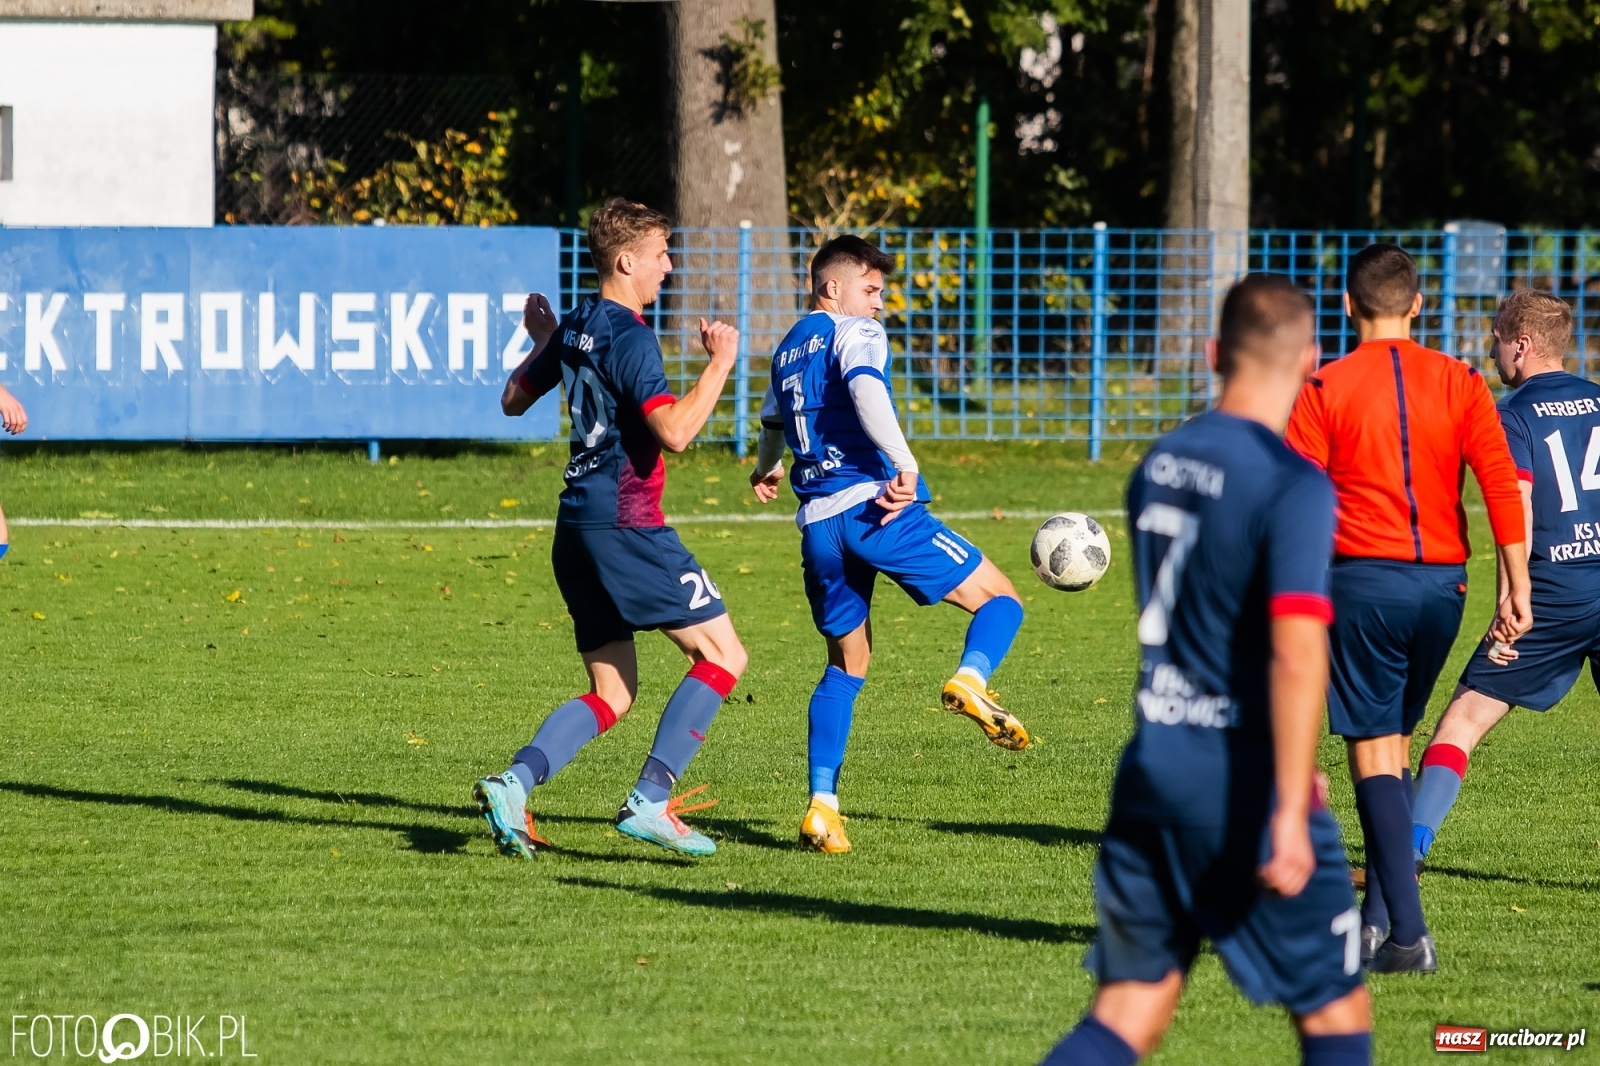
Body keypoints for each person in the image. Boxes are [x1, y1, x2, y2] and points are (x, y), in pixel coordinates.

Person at [1041, 274, 1370, 1066]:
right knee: (1335, 1014)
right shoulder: (1291, 483)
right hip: (1240, 784)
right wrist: (1289, 804)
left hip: (1153, 769)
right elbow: (1294, 649)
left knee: (1131, 1010)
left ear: (1213, 351)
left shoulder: (1160, 462)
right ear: (1311, 361)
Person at [471, 197, 748, 858]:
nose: (668, 267)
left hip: (576, 527)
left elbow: (512, 400)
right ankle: (650, 800)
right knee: (723, 654)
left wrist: (547, 343)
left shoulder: (575, 325)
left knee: (614, 691)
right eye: (660, 255)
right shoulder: (631, 335)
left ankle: (513, 784)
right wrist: (720, 364)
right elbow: (674, 432)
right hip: (627, 522)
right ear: (626, 262)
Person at [1285, 243, 1531, 972]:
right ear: (1418, 305)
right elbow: (1498, 482)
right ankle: (1374, 926)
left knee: (1372, 754)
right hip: (1444, 590)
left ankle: (1408, 938)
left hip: (1363, 584)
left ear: (1347, 306)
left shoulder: (1323, 387)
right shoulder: (1461, 380)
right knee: (1390, 747)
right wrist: (1516, 584)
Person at [748, 235, 1027, 854]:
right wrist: (904, 462)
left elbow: (772, 422)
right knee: (1001, 599)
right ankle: (971, 679)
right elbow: (866, 388)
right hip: (876, 508)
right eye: (870, 290)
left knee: (845, 667)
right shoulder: (855, 332)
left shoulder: (787, 349)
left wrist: (767, 469)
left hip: (818, 525)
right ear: (834, 288)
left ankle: (822, 808)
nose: (878, 304)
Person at [1412, 290, 1596, 863]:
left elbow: (1513, 500)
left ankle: (1405, 854)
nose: (1491, 350)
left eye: (1495, 339)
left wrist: (1512, 597)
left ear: (1522, 344)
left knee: (1463, 720)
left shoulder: (1514, 414)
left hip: (1555, 593)